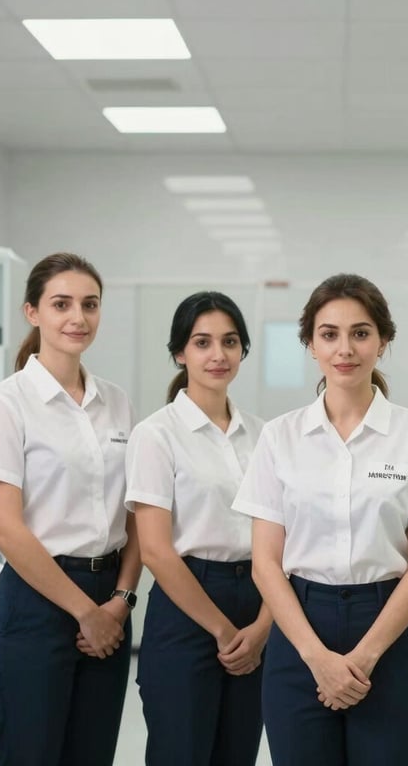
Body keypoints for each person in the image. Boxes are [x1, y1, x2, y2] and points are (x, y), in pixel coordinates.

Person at [232, 273, 408, 766]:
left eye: (361, 333)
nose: (346, 348)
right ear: (310, 344)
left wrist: (363, 658)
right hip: (300, 630)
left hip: (390, 631)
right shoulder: (280, 438)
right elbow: (266, 564)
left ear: (383, 341)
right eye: (329, 334)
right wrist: (318, 660)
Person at [0, 252, 140, 766]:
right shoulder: (5, 403)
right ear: (32, 312)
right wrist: (86, 613)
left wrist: (120, 601)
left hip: (109, 599)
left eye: (89, 305)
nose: (77, 318)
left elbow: (133, 517)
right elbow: (5, 529)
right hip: (37, 601)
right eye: (61, 304)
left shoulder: (118, 403)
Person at [125, 291, 269, 765]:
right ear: (179, 352)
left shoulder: (264, 435)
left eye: (230, 342)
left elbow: (281, 539)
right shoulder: (156, 434)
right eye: (202, 342)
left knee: (238, 753)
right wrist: (224, 631)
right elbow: (155, 551)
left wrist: (263, 627)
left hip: (257, 600)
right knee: (180, 752)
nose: (218, 355)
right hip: (187, 608)